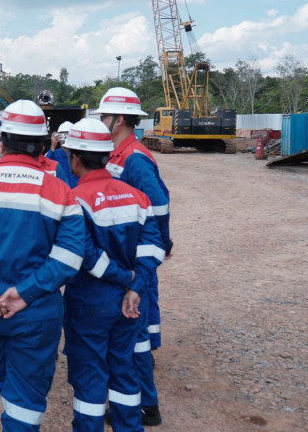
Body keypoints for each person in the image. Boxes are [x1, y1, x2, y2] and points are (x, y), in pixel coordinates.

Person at [0, 100, 86, 432]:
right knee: (26, 396)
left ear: (2, 140)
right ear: (41, 146)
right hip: (36, 310)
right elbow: (70, 256)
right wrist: (25, 293)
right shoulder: (63, 193)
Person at [61, 118, 165, 432]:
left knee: (90, 377)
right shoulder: (137, 197)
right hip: (131, 302)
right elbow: (154, 244)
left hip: (91, 301)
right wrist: (137, 283)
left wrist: (126, 280)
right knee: (123, 371)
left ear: (75, 159)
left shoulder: (74, 200)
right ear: (107, 156)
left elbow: (85, 254)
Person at [93, 87, 171, 427]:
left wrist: (156, 248)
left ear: (119, 119)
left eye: (104, 117)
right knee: (134, 333)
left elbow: (159, 205)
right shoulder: (118, 154)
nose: (102, 122)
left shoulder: (134, 158)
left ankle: (145, 406)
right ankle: (142, 402)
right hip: (128, 254)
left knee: (135, 335)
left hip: (135, 258)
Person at [45, 121, 78, 187]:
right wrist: (52, 147)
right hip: (61, 192)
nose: (65, 139)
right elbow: (44, 165)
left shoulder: (79, 155)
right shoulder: (54, 154)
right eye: (62, 136)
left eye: (67, 135)